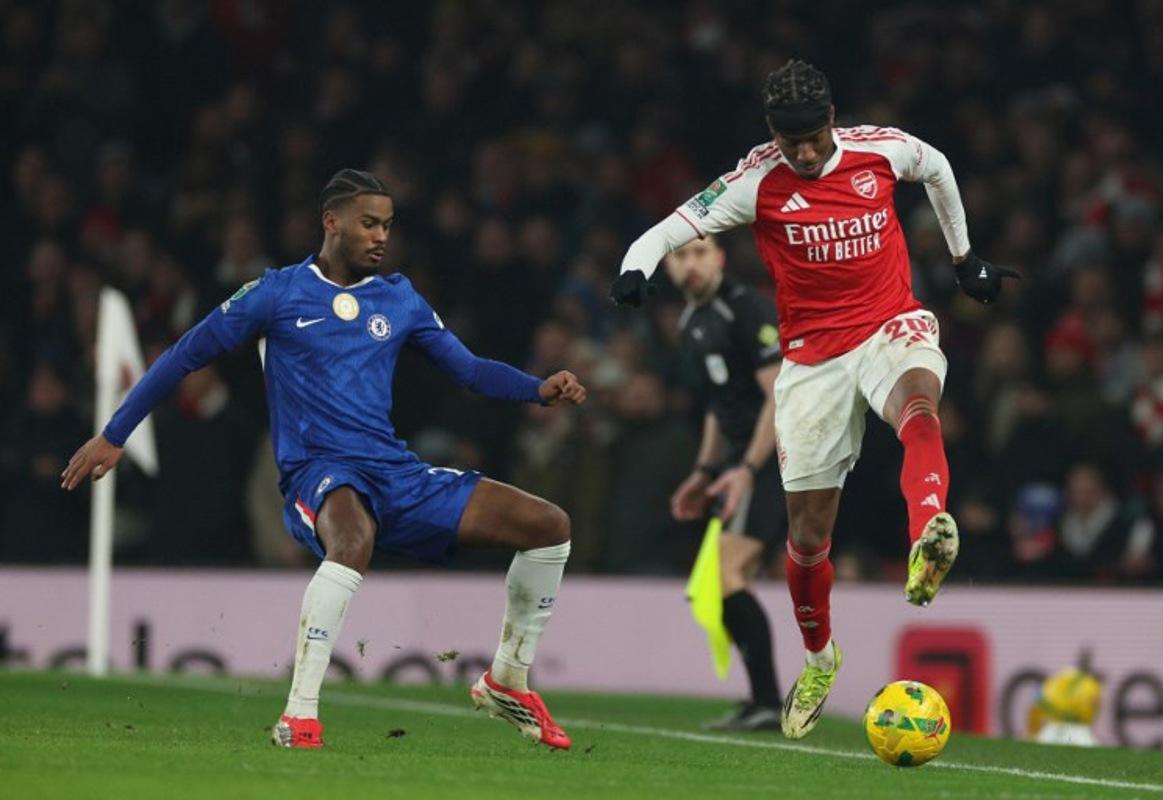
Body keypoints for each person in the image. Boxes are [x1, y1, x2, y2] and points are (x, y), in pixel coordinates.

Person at [62, 169, 586, 750]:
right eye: (369, 223)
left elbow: (470, 370)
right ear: (331, 222)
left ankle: (508, 678)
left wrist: (537, 389)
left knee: (549, 527)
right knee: (352, 535)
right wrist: (115, 433)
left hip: (395, 472)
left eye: (387, 224)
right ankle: (299, 714)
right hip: (318, 473)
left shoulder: (399, 297)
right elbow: (186, 354)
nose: (381, 236)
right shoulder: (276, 292)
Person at [610, 60, 1017, 739]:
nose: (802, 152)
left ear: (832, 120)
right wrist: (634, 269)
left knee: (919, 403)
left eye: (811, 137)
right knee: (806, 538)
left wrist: (963, 256)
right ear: (773, 132)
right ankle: (820, 657)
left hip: (889, 323)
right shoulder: (755, 181)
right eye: (788, 139)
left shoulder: (877, 149)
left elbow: (938, 167)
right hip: (812, 360)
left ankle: (928, 532)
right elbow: (666, 230)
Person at [665, 235, 785, 730]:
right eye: (679, 255)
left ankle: (769, 704)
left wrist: (747, 471)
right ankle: (764, 702)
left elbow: (780, 398)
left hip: (778, 458)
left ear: (718, 258)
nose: (690, 264)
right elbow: (720, 405)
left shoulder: (748, 309)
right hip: (739, 463)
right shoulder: (692, 322)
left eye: (699, 253)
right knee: (711, 586)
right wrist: (704, 471)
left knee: (723, 576)